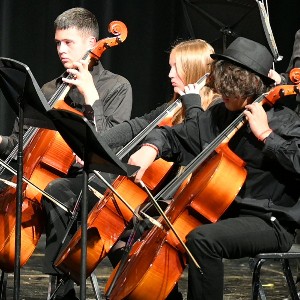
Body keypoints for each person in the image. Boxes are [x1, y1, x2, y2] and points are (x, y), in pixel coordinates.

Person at [126, 37, 300, 300]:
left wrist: (266, 135)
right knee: (138, 227)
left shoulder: (285, 122)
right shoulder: (220, 115)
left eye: (234, 90)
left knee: (203, 240)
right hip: (221, 213)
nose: (226, 96)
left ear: (253, 87)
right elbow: (177, 136)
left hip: (270, 221)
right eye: (224, 87)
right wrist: (151, 149)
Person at [45, 38, 219, 300]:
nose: (170, 74)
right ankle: (64, 291)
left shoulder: (213, 111)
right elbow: (133, 127)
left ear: (195, 70)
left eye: (176, 68)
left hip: (176, 205)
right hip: (141, 197)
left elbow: (199, 148)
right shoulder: (171, 107)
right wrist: (95, 146)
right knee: (60, 190)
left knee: (114, 226)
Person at [15, 7, 133, 300]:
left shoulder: (116, 87)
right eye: (58, 43)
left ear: (92, 43)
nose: (61, 50)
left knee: (58, 192)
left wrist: (92, 96)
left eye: (69, 43)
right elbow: (23, 143)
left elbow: (113, 146)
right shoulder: (50, 88)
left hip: (95, 180)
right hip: (47, 175)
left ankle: (62, 291)